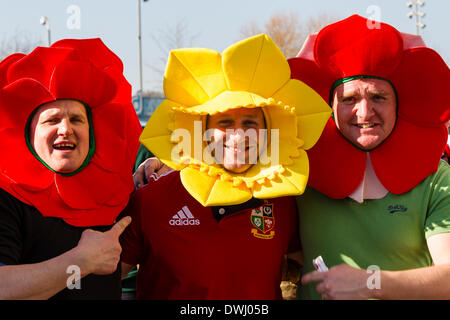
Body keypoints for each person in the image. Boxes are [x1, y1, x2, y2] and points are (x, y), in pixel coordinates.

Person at [120, 34, 331, 299]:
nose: (237, 135)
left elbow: (305, 270)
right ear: (201, 130)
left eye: (250, 123)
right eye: (224, 123)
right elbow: (105, 279)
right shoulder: (151, 200)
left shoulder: (285, 200)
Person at [288, 14, 450, 299]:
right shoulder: (297, 172)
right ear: (329, 107)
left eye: (378, 97)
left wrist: (371, 283)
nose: (364, 113)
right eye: (349, 99)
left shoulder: (438, 179)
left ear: (400, 104)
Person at [0, 38, 141, 299]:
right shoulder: (6, 196)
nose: (65, 129)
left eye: (76, 119)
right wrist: (80, 262)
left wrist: (154, 167)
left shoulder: (119, 192)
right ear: (29, 134)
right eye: (52, 119)